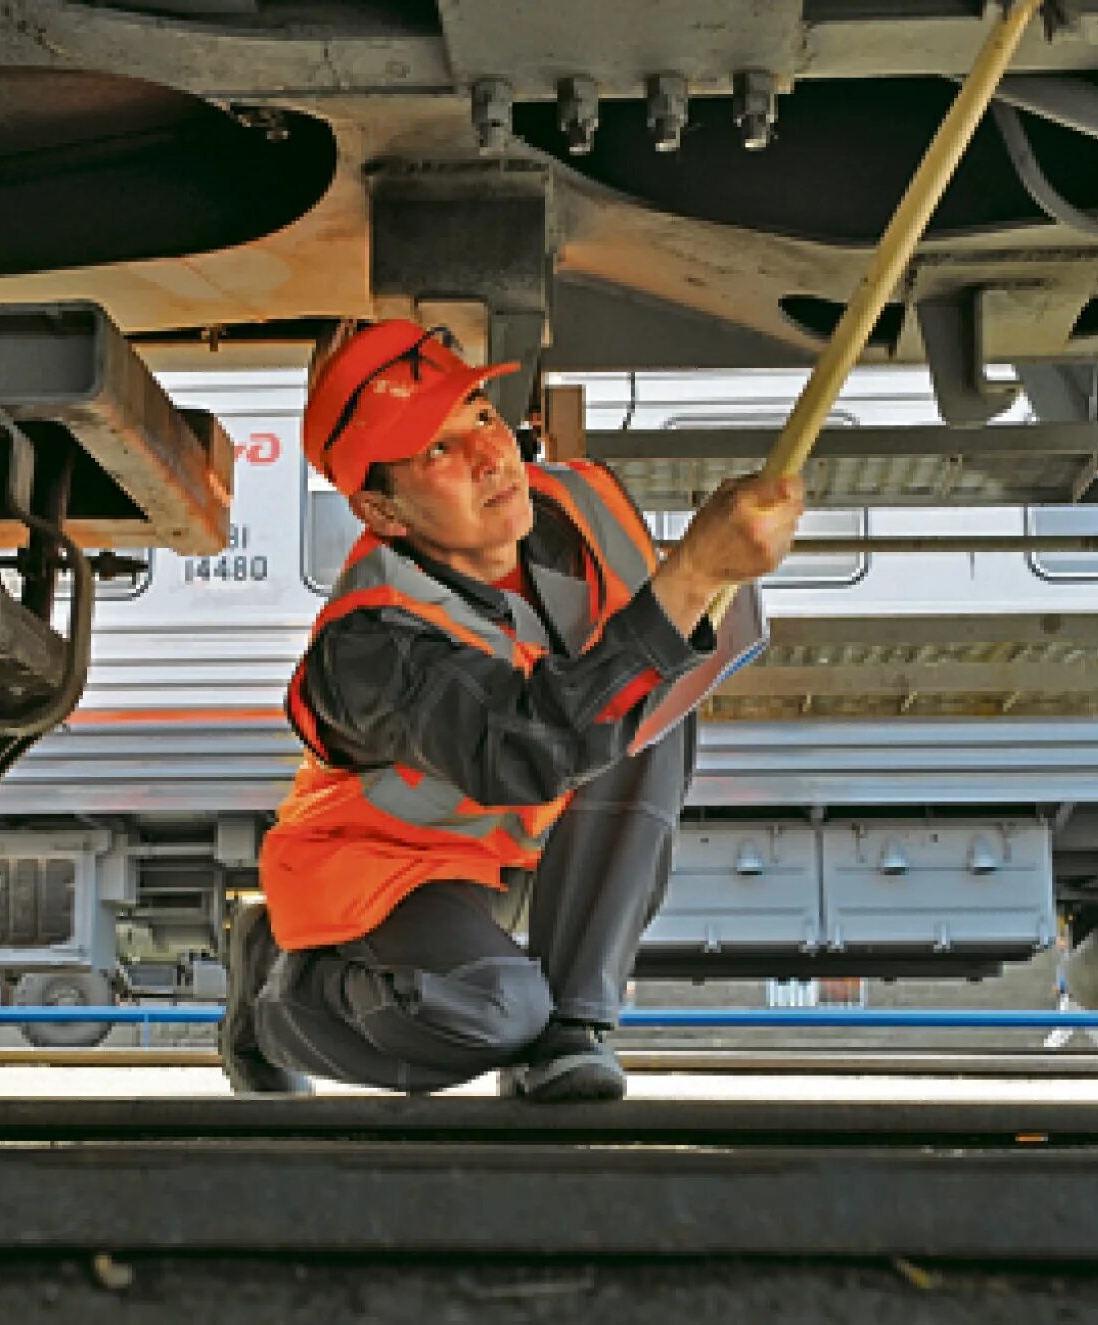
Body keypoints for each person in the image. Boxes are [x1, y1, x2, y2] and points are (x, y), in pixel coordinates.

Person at [220, 320, 804, 1101]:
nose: (490, 455)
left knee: (649, 700)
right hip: (385, 875)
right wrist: (693, 574)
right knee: (495, 1014)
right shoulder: (368, 643)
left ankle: (572, 1030)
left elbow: (637, 682)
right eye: (436, 449)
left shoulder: (581, 502)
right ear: (383, 512)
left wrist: (719, 579)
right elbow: (518, 748)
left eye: (480, 414)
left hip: (514, 849)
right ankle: (274, 1000)